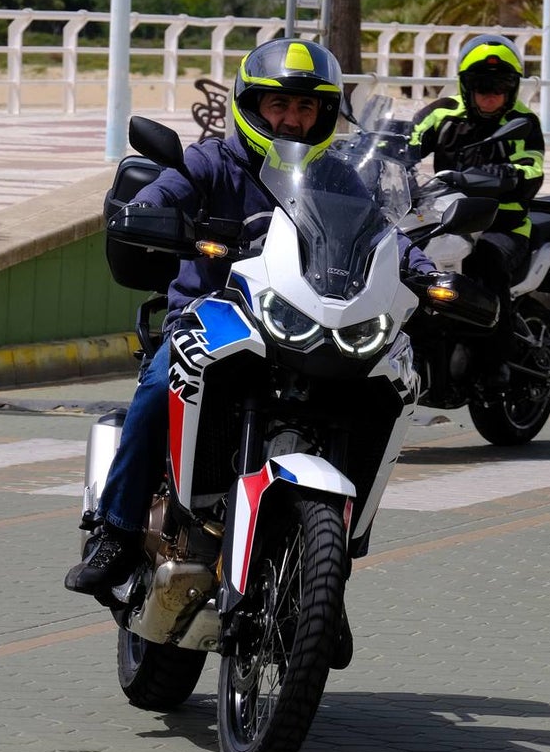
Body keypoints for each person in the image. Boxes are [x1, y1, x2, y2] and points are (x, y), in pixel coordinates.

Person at [64, 38, 433, 604]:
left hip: (305, 317)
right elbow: (164, 196)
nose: (292, 118)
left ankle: (318, 581)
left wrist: (423, 268)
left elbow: (380, 231)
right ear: (251, 106)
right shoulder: (211, 161)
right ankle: (114, 531)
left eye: (306, 108)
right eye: (278, 105)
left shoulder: (336, 175)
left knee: (384, 383)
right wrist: (152, 217)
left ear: (325, 115)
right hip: (215, 314)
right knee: (163, 382)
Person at [408, 34, 545, 386]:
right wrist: (380, 152)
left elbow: (532, 169)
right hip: (447, 219)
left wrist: (504, 175)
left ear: (513, 88)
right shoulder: (442, 113)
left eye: (500, 85)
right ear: (465, 85)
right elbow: (405, 140)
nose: (490, 93)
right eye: (481, 84)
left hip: (503, 226)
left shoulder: (523, 122)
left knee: (487, 262)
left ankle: (493, 363)